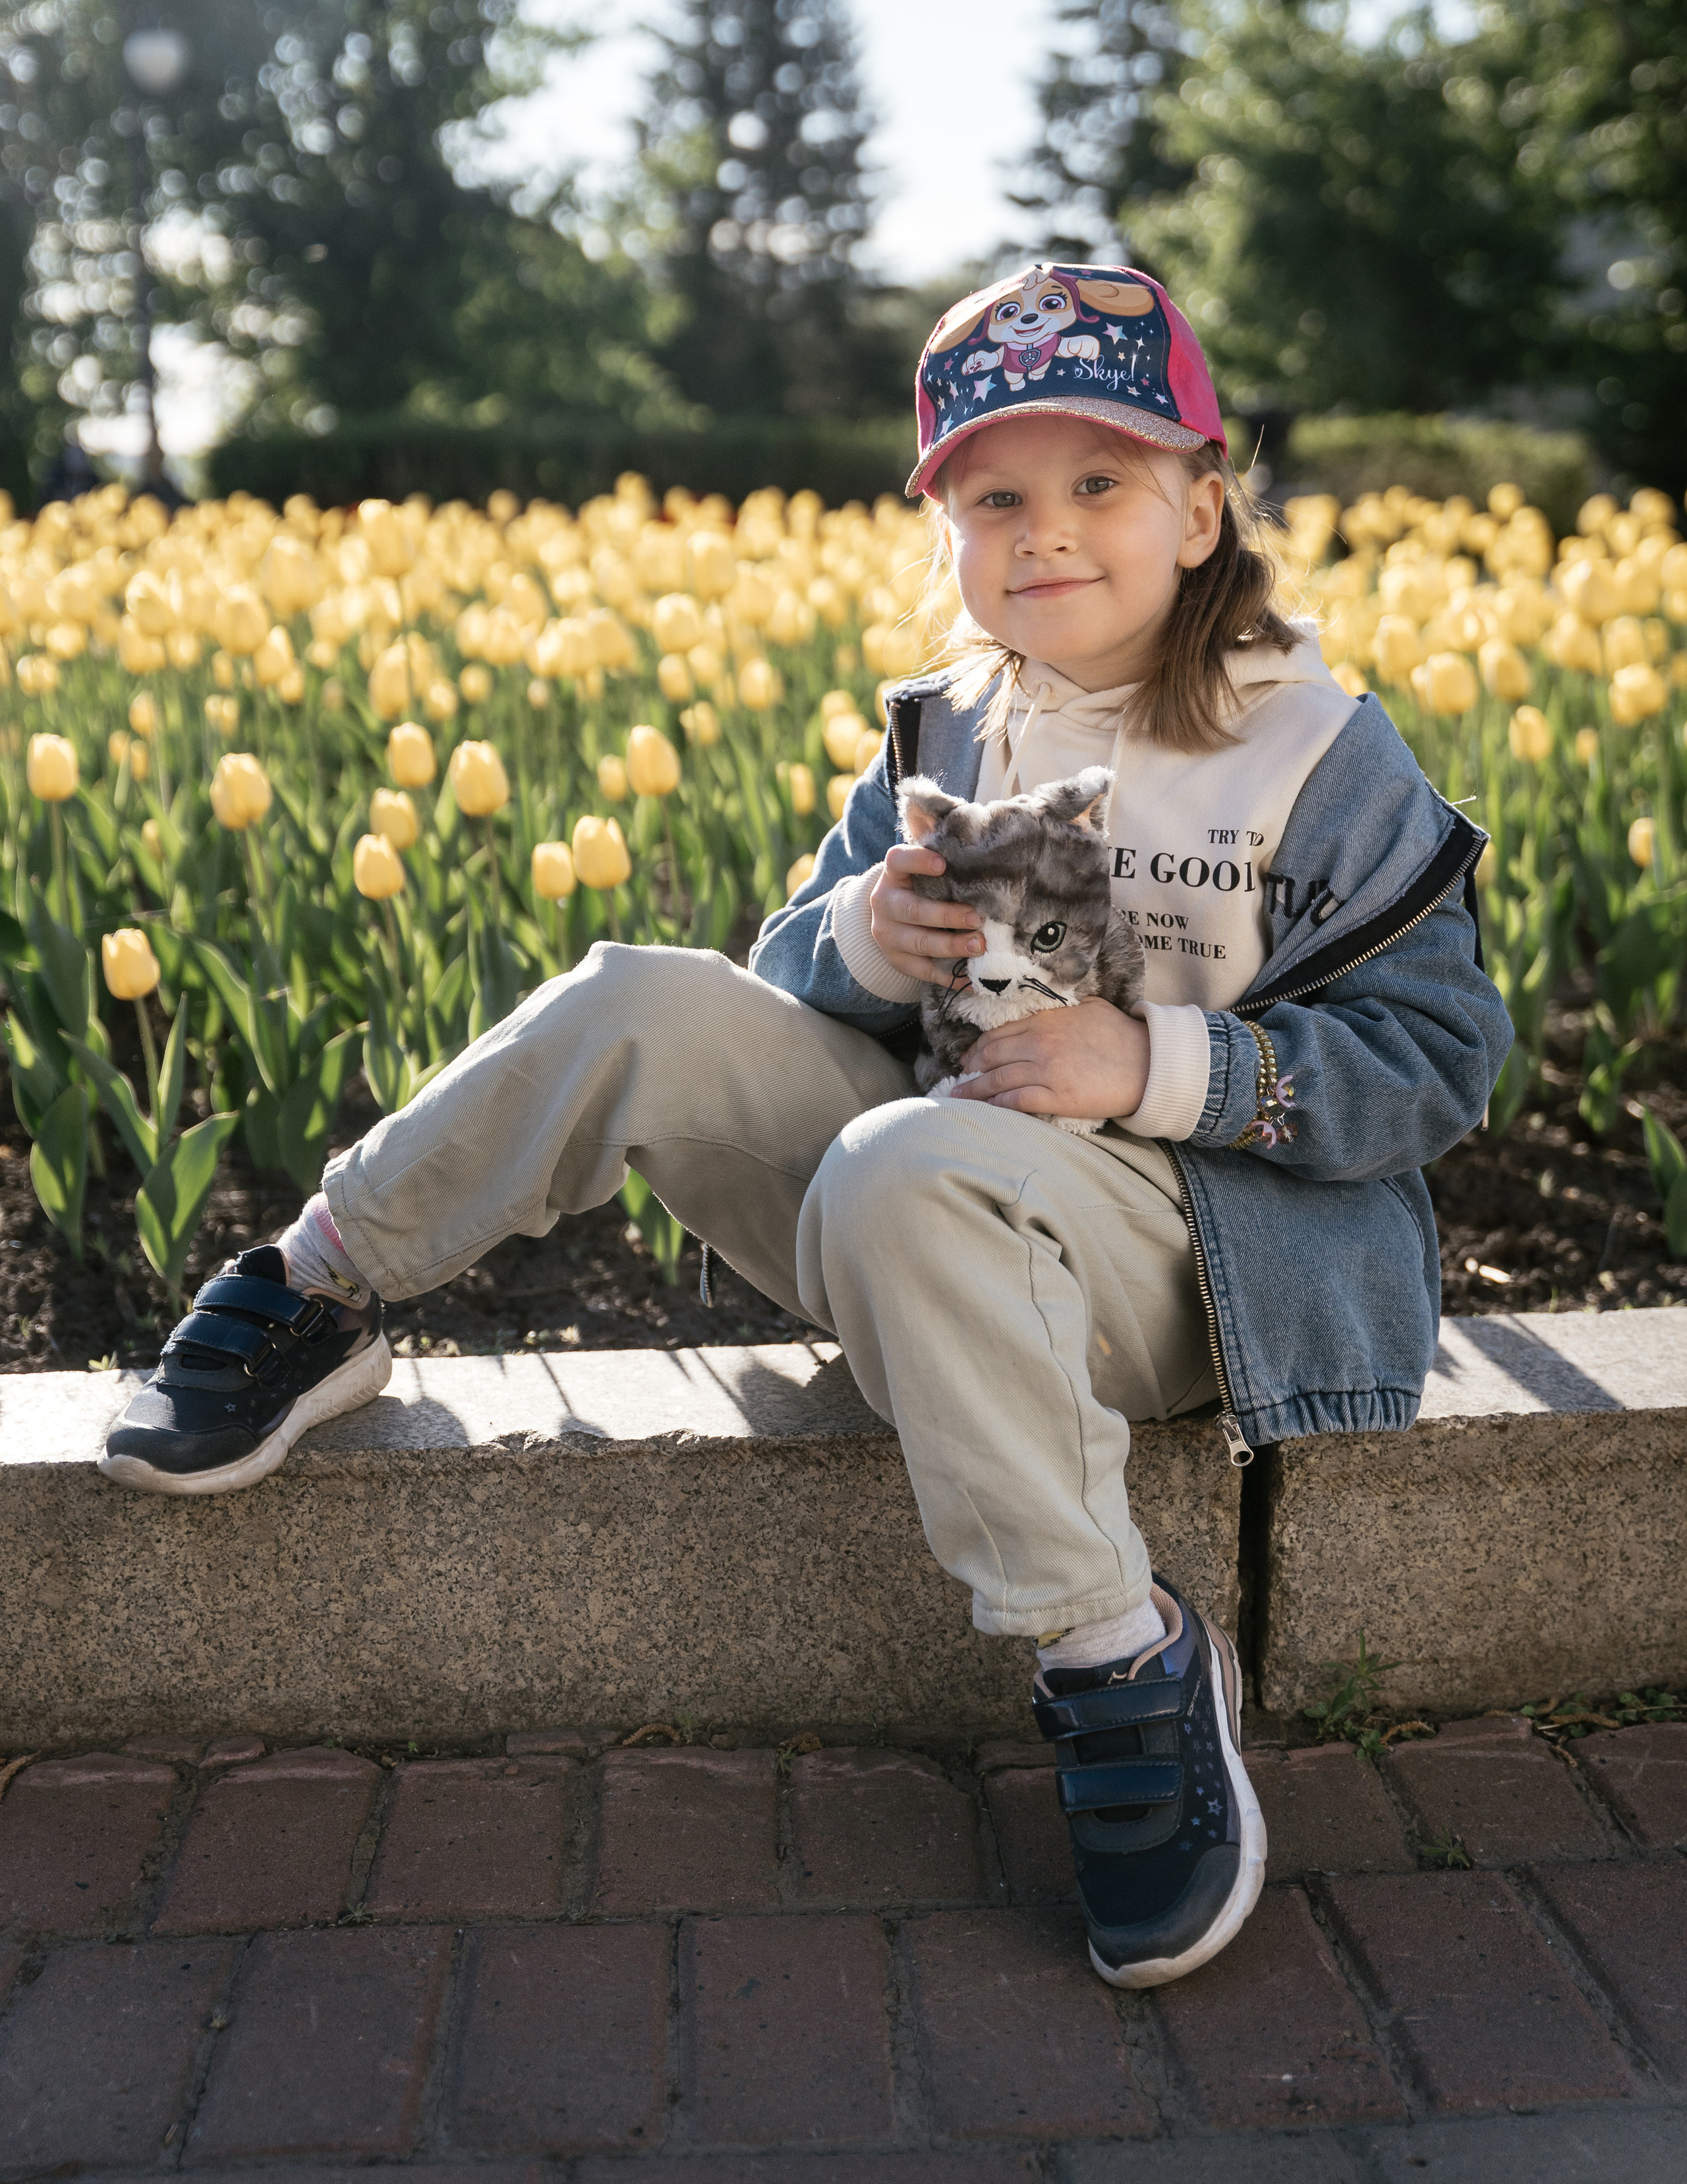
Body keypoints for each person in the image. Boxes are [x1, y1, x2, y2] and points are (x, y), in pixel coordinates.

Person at [98, 263, 1512, 1990]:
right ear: (949, 533)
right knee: (640, 990)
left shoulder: (1314, 751)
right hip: (915, 1209)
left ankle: (1116, 1652)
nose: (1046, 534)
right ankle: (319, 1287)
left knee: (909, 1160)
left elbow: (1436, 1060)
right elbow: (788, 968)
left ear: (1204, 507)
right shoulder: (950, 728)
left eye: (1100, 485)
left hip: (1188, 1266)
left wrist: (1146, 1067)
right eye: (997, 497)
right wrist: (859, 942)